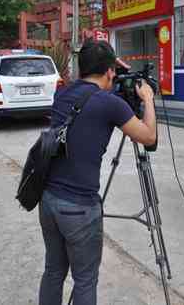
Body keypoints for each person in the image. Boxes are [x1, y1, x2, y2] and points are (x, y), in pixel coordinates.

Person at [38, 39, 156, 305]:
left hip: (48, 201)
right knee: (85, 279)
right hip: (78, 208)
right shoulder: (110, 104)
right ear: (110, 72)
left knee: (54, 271)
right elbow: (148, 137)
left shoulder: (63, 94)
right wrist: (147, 98)